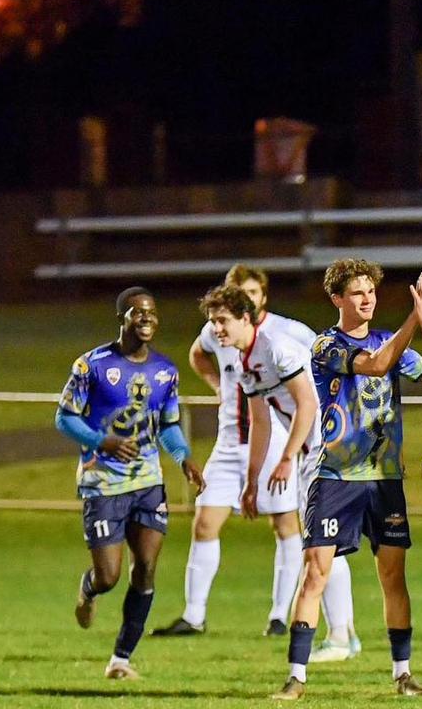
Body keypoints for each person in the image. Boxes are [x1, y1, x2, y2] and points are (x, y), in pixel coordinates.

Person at [270, 260, 422, 700]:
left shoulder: (387, 340)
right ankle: (296, 677)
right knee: (316, 572)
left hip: (385, 478)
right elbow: (376, 366)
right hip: (337, 476)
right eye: (357, 293)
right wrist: (419, 316)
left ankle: (403, 674)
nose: (367, 299)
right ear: (337, 299)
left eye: (371, 291)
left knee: (393, 575)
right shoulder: (325, 345)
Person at [151, 266, 360, 660]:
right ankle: (342, 636)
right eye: (212, 322)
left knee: (321, 544)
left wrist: (285, 459)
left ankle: (340, 636)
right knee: (322, 545)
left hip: (329, 446)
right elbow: (262, 421)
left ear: (247, 315)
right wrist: (251, 482)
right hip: (305, 450)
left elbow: (309, 403)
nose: (216, 330)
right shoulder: (246, 362)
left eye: (222, 321)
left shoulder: (279, 345)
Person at [56, 287, 205, 680]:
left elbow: (169, 425)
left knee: (147, 569)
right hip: (103, 484)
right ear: (122, 318)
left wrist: (184, 458)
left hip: (147, 483)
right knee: (109, 576)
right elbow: (65, 418)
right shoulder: (92, 366)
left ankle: (120, 659)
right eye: (137, 312)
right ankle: (88, 591)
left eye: (152, 313)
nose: (146, 318)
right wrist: (101, 440)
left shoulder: (166, 371)